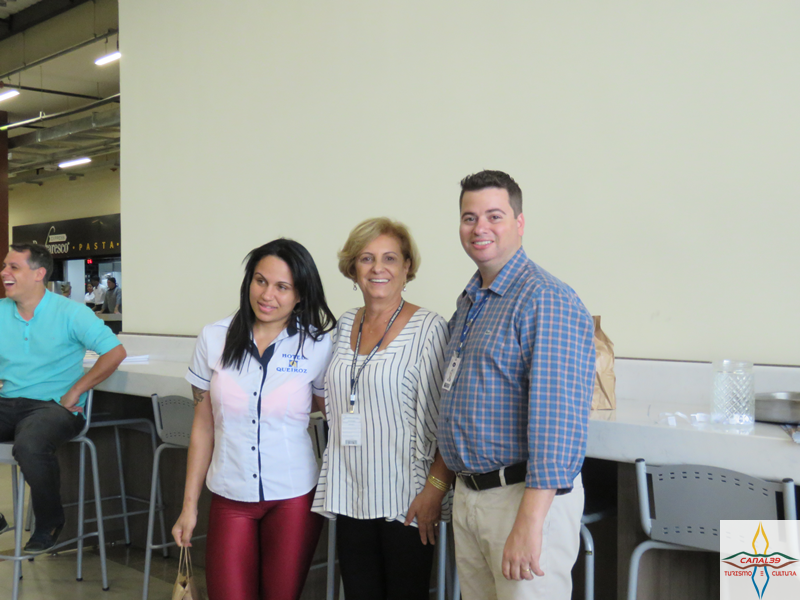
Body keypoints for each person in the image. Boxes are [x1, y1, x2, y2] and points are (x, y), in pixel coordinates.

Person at [438, 170, 596, 600]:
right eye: (469, 218)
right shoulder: (472, 301)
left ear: (520, 223)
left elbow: (557, 425)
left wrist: (529, 524)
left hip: (522, 500)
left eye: (494, 216)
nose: (480, 228)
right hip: (472, 496)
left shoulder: (545, 299)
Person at [173, 239, 336, 600]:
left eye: (282, 287)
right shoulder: (214, 337)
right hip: (230, 495)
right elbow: (203, 426)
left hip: (293, 497)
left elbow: (333, 417)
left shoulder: (318, 345)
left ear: (300, 295)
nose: (267, 295)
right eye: (260, 281)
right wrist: (189, 507)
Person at [312, 218, 452, 600]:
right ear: (353, 268)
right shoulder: (345, 324)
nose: (378, 268)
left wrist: (434, 491)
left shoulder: (429, 328)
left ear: (407, 267)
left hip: (406, 499)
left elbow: (447, 421)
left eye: (390, 258)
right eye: (367, 258)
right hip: (350, 493)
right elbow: (331, 395)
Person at [0, 244, 127, 553]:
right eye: (4, 266)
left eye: (13, 267)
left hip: (55, 406)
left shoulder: (71, 312)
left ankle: (49, 522)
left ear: (39, 273)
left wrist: (76, 390)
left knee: (29, 446)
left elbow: (115, 352)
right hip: (8, 401)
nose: (4, 273)